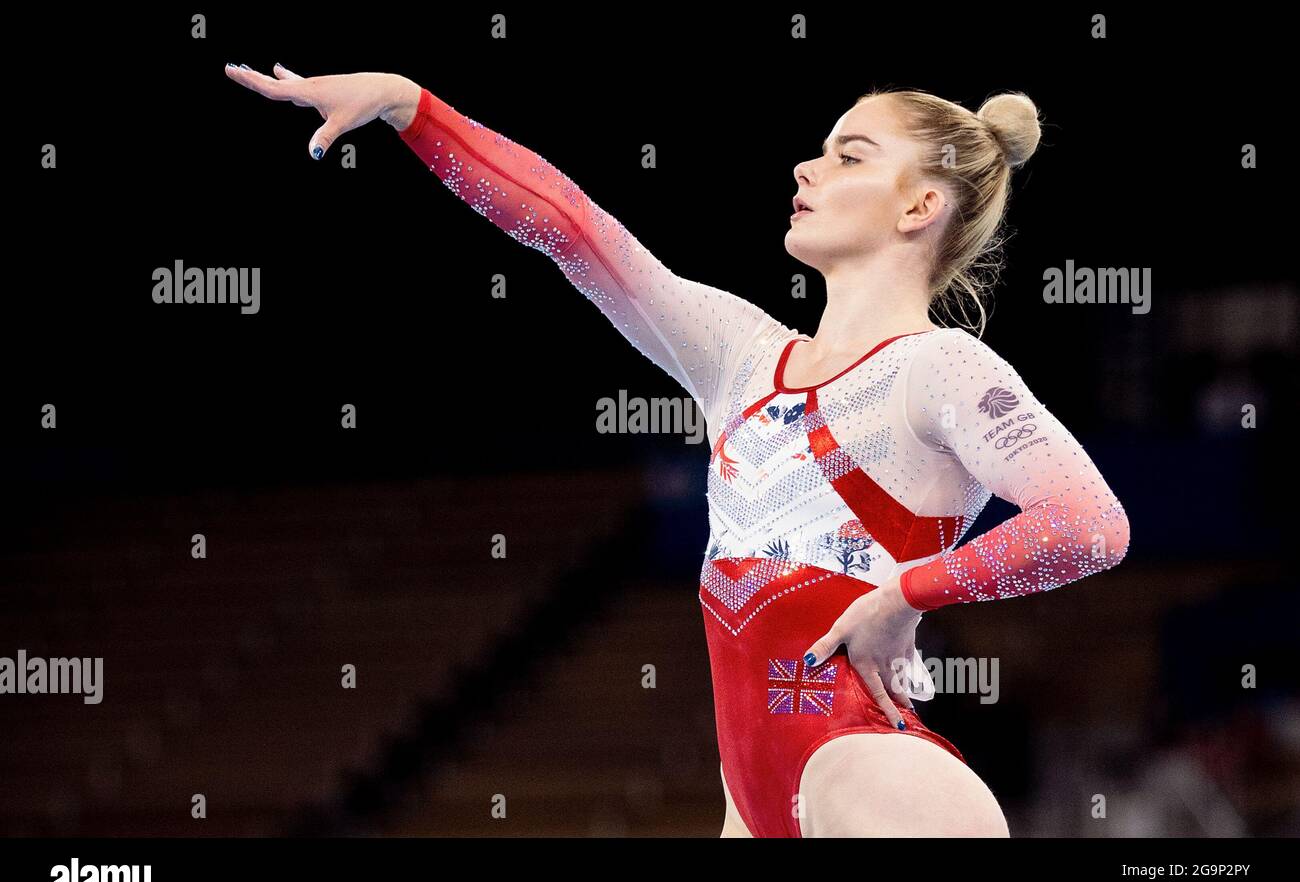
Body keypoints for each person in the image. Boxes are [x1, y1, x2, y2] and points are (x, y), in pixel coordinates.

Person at [224, 63, 1131, 838]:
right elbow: (571, 230)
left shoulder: (938, 367)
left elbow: (1091, 526)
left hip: (876, 781)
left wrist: (904, 593)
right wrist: (409, 106)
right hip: (751, 804)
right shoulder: (739, 352)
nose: (806, 168)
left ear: (921, 206)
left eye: (850, 155)